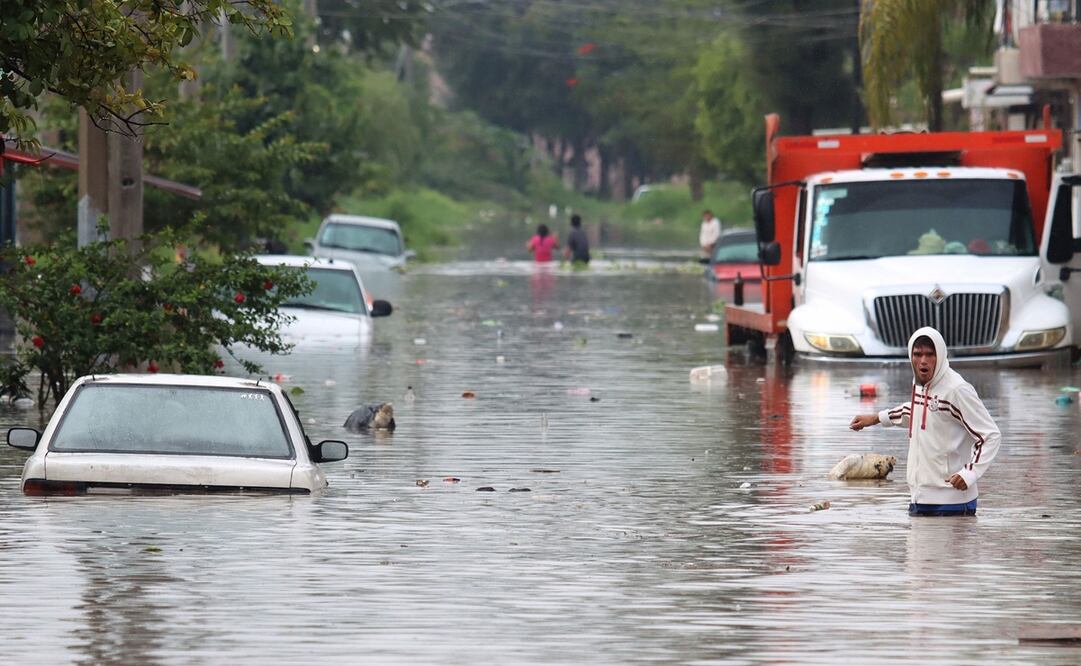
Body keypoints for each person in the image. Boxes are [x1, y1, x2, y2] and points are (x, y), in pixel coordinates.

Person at [849, 326, 1000, 516]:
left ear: (941, 355)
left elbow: (990, 435)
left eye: (930, 354)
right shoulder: (920, 383)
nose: (923, 361)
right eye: (917, 354)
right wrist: (877, 418)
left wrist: (969, 473)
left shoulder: (957, 389)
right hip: (919, 498)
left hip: (952, 503)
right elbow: (916, 410)